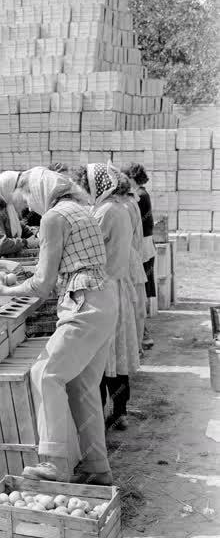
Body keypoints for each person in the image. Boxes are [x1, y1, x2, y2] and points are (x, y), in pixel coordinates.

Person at [0, 167, 117, 484]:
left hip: (84, 303)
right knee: (82, 387)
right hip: (104, 301)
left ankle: (55, 461)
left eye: (27, 196)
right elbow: (57, 272)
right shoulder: (80, 210)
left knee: (44, 373)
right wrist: (20, 283)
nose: (28, 204)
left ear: (40, 190)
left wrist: (4, 292)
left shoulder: (54, 217)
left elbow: (42, 285)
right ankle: (98, 468)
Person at [71, 163, 139, 431]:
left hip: (103, 288)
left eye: (85, 189)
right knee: (116, 356)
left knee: (99, 357)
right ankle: (120, 410)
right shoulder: (118, 209)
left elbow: (87, 248)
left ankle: (96, 417)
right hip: (117, 286)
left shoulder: (105, 212)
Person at [122, 163, 155, 350]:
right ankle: (143, 332)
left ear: (132, 178)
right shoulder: (141, 194)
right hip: (143, 244)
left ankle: (143, 333)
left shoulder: (138, 197)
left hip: (141, 246)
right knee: (143, 287)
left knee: (140, 288)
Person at [117, 174, 148, 357]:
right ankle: (137, 347)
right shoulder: (131, 203)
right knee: (136, 307)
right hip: (133, 258)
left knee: (131, 307)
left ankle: (133, 350)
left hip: (126, 260)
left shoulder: (124, 207)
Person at [0, 171, 39, 258]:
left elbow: (19, 228)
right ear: (8, 189)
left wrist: (35, 234)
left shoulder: (6, 207)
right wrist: (26, 242)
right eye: (20, 190)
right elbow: (1, 245)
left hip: (5, 260)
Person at [22, 162, 70, 230]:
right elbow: (25, 224)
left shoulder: (66, 199)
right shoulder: (36, 201)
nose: (63, 183)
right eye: (60, 178)